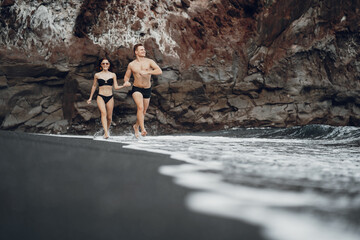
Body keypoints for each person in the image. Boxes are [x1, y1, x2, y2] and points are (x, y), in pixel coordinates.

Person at [123, 43, 162, 138]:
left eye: (144, 49)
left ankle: (136, 126)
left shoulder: (149, 62)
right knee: (140, 108)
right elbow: (126, 76)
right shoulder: (131, 64)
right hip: (136, 88)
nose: (144, 51)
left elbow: (159, 71)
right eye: (141, 50)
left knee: (143, 111)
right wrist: (126, 82)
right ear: (136, 52)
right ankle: (143, 129)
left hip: (147, 89)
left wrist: (148, 71)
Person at [87, 58, 129, 139]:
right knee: (103, 113)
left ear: (109, 65)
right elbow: (94, 86)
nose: (105, 65)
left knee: (109, 117)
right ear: (101, 65)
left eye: (107, 63)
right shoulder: (97, 75)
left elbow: (116, 87)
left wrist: (124, 85)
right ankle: (106, 133)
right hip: (100, 96)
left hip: (110, 97)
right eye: (103, 63)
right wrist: (90, 98)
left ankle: (106, 129)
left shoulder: (113, 75)